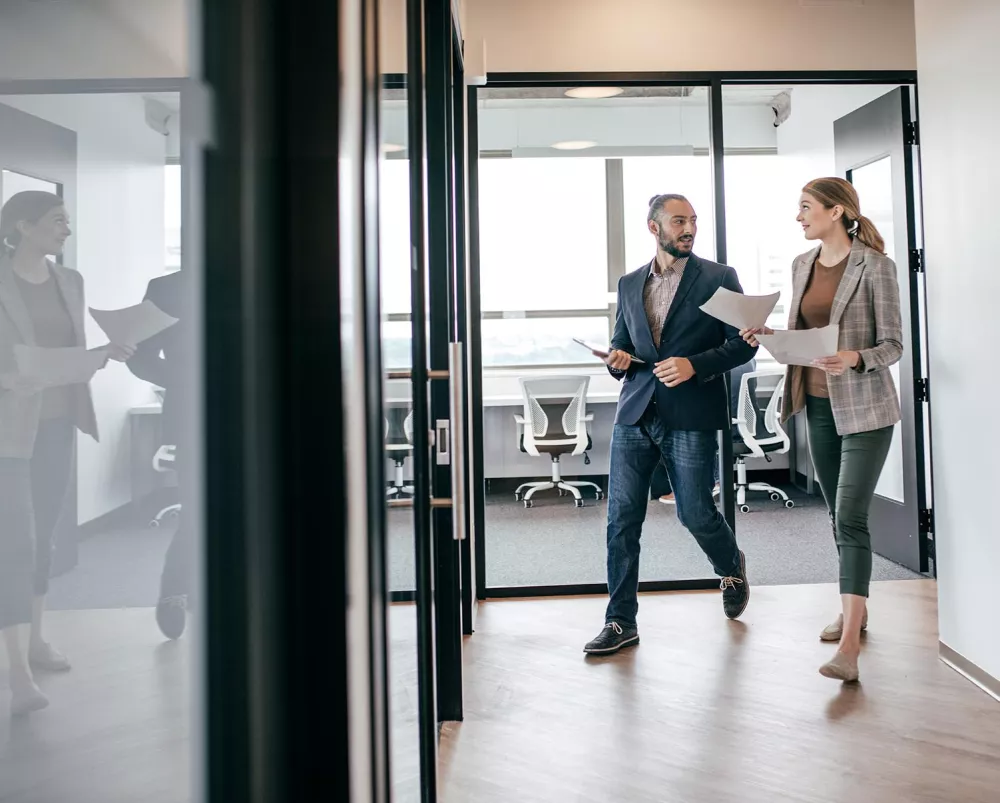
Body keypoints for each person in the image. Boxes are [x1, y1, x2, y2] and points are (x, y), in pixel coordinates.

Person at [741, 177, 902, 682]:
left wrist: (855, 357)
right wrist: (768, 336)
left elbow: (893, 345)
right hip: (815, 404)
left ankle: (850, 648)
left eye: (806, 207)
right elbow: (806, 334)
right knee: (837, 514)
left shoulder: (876, 267)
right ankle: (856, 608)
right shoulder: (801, 265)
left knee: (851, 517)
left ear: (836, 212)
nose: (799, 216)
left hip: (865, 410)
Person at [583, 194, 757, 655]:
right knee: (621, 518)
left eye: (693, 221)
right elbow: (622, 344)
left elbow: (743, 346)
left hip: (691, 414)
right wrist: (617, 361)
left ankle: (730, 564)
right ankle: (621, 621)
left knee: (694, 512)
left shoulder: (719, 278)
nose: (689, 228)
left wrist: (693, 365)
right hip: (635, 413)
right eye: (679, 220)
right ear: (654, 227)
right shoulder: (628, 283)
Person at [0, 191, 132, 715]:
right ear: (23, 226)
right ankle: (17, 671)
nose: (67, 230)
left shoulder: (69, 282)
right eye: (58, 221)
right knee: (14, 542)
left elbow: (68, 351)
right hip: (8, 431)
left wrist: (103, 354)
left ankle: (35, 638)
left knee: (46, 534)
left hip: (57, 425)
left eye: (68, 221)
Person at [126, 269, 192, 640]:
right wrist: (187, 377)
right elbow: (139, 355)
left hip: (262, 412)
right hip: (194, 414)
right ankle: (175, 589)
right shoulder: (167, 288)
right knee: (198, 511)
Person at [653, 357, 757, 503]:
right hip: (747, 427)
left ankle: (703, 484)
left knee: (679, 431)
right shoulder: (748, 360)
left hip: (730, 431)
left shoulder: (721, 366)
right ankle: (704, 482)